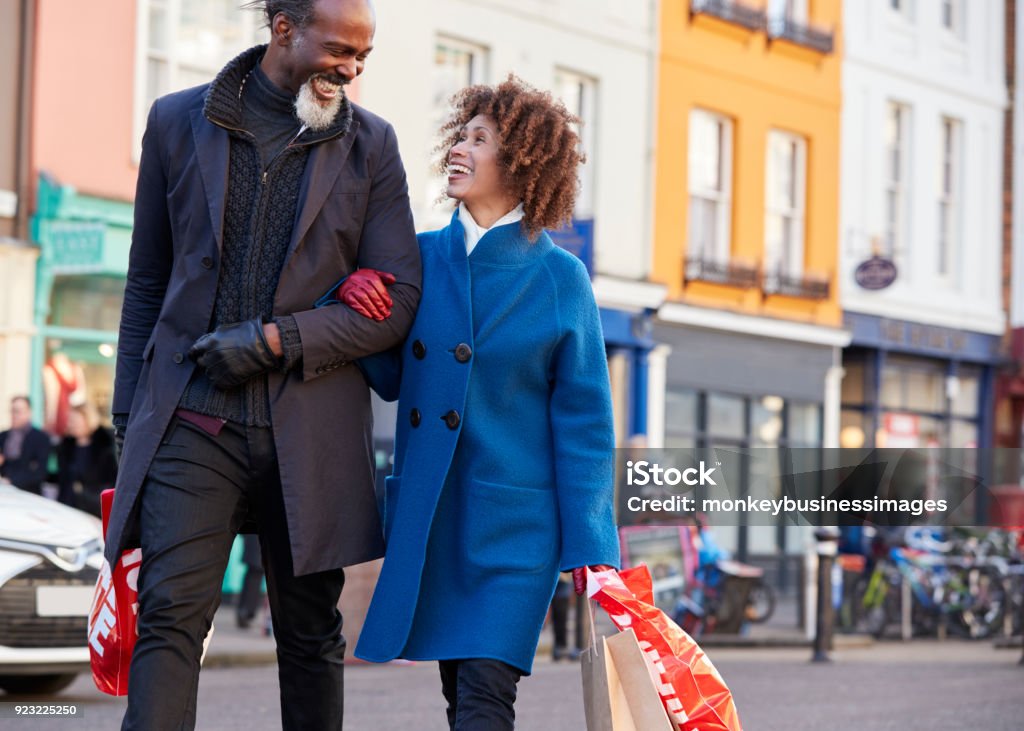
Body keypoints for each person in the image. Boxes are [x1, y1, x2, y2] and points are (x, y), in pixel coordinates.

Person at [104, 0, 421, 728]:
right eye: (340, 49)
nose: (352, 69)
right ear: (284, 29)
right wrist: (129, 417)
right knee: (167, 622)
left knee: (311, 636)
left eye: (363, 56)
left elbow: (399, 297)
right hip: (190, 418)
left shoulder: (371, 145)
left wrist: (276, 340)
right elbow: (148, 280)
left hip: (310, 430)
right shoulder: (175, 121)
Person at [344, 76, 619, 731]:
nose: (460, 149)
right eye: (459, 136)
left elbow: (583, 425)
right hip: (433, 519)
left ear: (522, 160)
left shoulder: (560, 278)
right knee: (457, 699)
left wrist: (592, 548)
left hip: (515, 536)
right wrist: (353, 302)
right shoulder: (418, 255)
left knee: (483, 699)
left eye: (481, 138)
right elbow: (388, 374)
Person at [55, 403, 117, 516]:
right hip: (68, 507)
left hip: (95, 509)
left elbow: (112, 480)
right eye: (70, 420)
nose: (71, 424)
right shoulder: (66, 446)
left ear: (88, 419)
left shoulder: (105, 445)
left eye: (75, 420)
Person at [0, 395, 52, 495]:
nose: (14, 415)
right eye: (12, 411)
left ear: (29, 412)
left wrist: (12, 481)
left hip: (29, 494)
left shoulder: (41, 438)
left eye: (18, 411)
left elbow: (40, 473)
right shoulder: (3, 436)